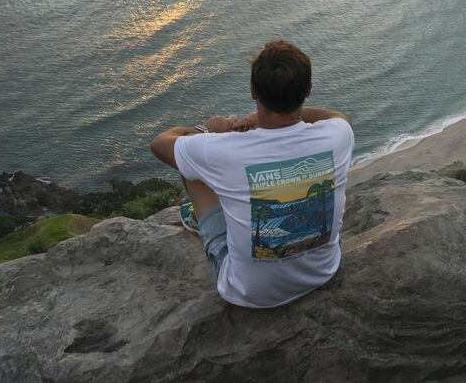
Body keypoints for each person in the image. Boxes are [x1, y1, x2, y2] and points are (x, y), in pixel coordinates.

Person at [149, 40, 354, 308]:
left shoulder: (221, 149)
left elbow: (159, 144)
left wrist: (210, 133)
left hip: (249, 293)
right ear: (309, 91)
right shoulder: (338, 135)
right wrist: (255, 120)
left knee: (191, 164)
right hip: (322, 272)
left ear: (253, 92)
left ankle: (201, 218)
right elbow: (337, 116)